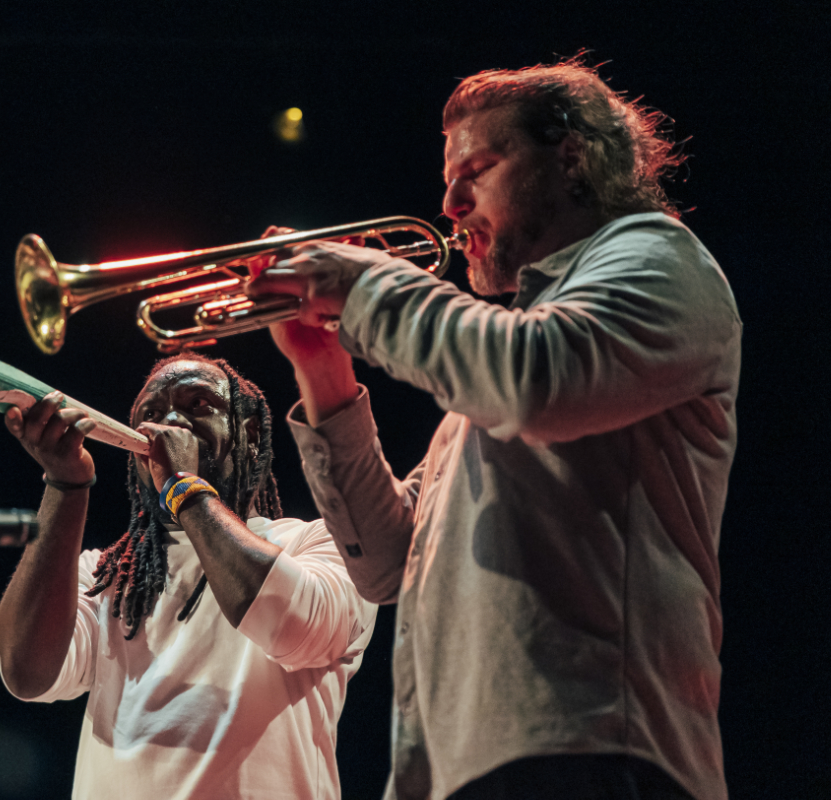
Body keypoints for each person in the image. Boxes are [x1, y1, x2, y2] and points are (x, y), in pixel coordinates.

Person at [248, 57, 741, 800]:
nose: (449, 203)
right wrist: (323, 372)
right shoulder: (501, 354)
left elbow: (536, 381)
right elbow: (385, 565)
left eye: (476, 168)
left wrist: (367, 284)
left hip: (593, 751)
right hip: (461, 767)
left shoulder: (656, 258)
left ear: (569, 156)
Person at [0, 354, 377, 800]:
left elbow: (294, 625)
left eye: (198, 404)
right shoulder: (107, 573)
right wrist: (65, 486)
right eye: (150, 415)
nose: (169, 423)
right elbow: (27, 674)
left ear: (250, 435)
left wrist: (182, 486)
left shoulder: (320, 542)